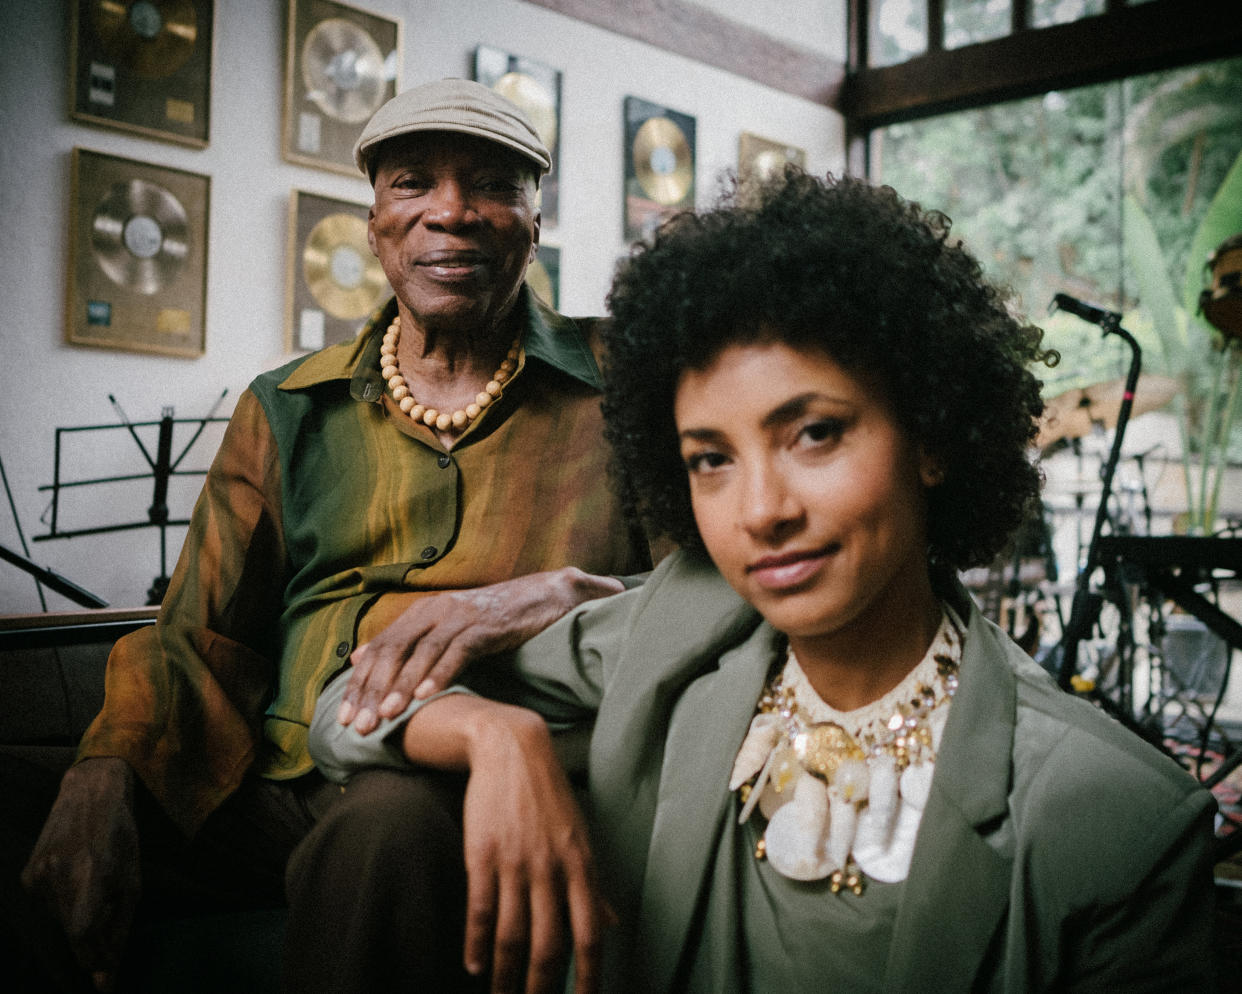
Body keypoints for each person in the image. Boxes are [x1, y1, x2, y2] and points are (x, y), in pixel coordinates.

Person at [311, 171, 1219, 993]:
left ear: (933, 438)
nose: (761, 510)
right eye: (710, 459)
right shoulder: (684, 622)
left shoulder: (1117, 825)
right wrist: (497, 738)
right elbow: (346, 708)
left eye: (814, 433)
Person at [7, 78, 651, 993]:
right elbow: (199, 632)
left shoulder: (622, 386)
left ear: (534, 219)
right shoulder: (286, 406)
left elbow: (716, 591)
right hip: (275, 777)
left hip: (453, 778)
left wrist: (555, 591)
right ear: (377, 219)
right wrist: (104, 766)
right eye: (413, 183)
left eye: (492, 185)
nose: (450, 213)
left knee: (385, 825)